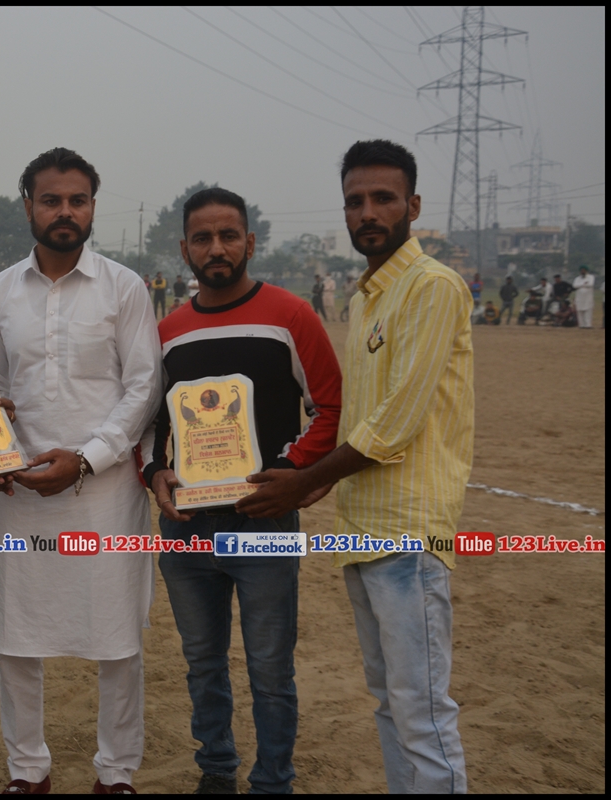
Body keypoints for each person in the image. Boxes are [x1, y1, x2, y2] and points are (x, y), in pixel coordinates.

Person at [238, 140, 472, 793]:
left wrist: (307, 480)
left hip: (408, 534)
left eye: (383, 198)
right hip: (362, 529)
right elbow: (353, 412)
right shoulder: (369, 296)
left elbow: (395, 421)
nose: (368, 212)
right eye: (355, 201)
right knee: (391, 703)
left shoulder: (432, 286)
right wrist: (307, 476)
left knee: (422, 713)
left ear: (412, 206)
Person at [0, 148, 162, 795]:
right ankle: (28, 769)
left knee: (117, 637)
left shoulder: (124, 287)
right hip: (18, 494)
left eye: (77, 201)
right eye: (51, 200)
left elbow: (143, 388)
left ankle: (117, 772)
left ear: (92, 208)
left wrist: (86, 458)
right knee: (16, 636)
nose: (64, 212)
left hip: (105, 496)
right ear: (28, 205)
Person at [143, 187, 342, 794]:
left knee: (270, 669)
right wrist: (155, 472)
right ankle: (217, 770)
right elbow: (150, 423)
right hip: (187, 528)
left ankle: (273, 781)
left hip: (265, 520)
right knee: (202, 663)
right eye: (202, 238)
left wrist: (293, 471)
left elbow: (331, 408)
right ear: (184, 250)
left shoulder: (291, 316)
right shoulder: (167, 332)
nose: (216, 248)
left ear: (250, 243)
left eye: (228, 235)